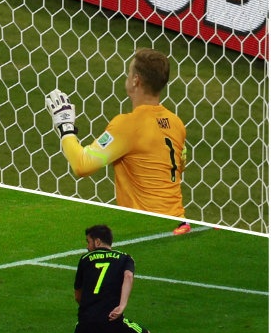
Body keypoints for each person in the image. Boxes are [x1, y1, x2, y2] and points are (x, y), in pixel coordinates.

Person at [44, 48, 191, 235]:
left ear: (136, 80)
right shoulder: (176, 123)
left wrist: (64, 125)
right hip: (179, 223)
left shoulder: (128, 125)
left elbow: (82, 165)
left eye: (129, 73)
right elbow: (180, 165)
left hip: (150, 227)